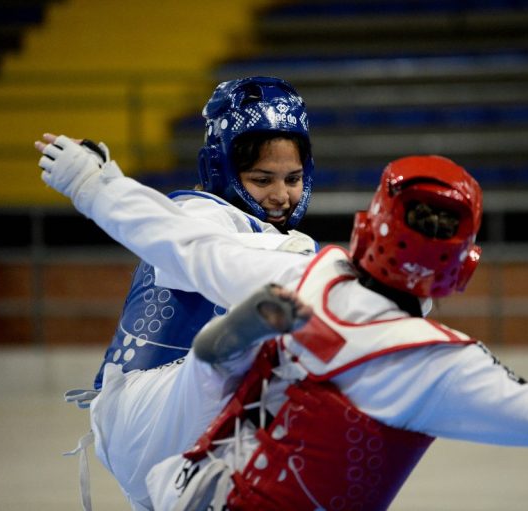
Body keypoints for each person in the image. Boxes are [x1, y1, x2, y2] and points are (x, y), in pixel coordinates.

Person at [36, 145, 528, 510]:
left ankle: (216, 358)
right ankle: (216, 360)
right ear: (461, 267)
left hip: (183, 481)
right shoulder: (434, 362)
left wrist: (94, 183)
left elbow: (180, 241)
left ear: (370, 225)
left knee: (220, 309)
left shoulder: (302, 274)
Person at [35, 76, 319, 511]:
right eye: (263, 179)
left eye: (293, 178)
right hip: (157, 411)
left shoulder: (240, 231)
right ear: (222, 170)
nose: (281, 195)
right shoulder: (197, 214)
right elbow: (183, 241)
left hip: (159, 434)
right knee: (309, 313)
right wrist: (97, 184)